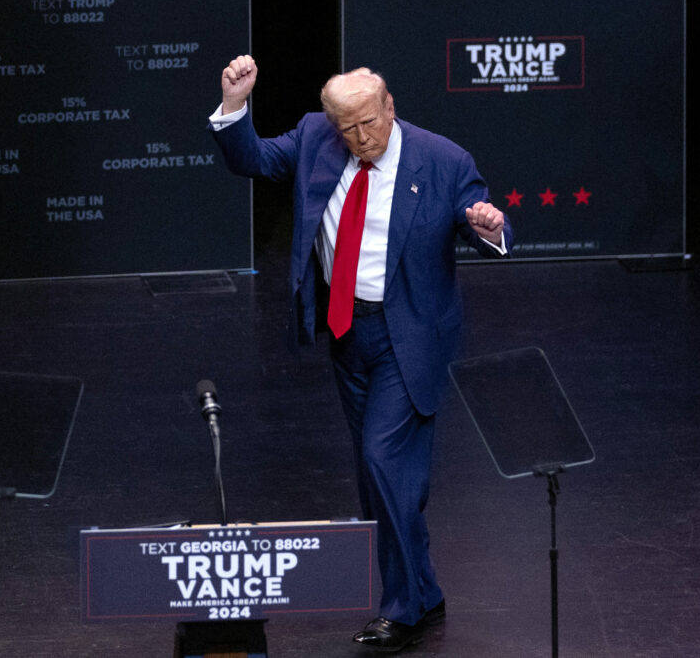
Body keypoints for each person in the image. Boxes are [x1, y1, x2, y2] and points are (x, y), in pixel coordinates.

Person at [208, 55, 513, 653]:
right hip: (348, 333)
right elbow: (251, 160)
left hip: (411, 335)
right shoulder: (316, 136)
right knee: (379, 479)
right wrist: (234, 104)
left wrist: (487, 226)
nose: (360, 137)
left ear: (390, 107)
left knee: (381, 459)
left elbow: (485, 225)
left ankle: (402, 611)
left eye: (369, 123)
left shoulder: (442, 160)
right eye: (347, 128)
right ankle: (423, 590)